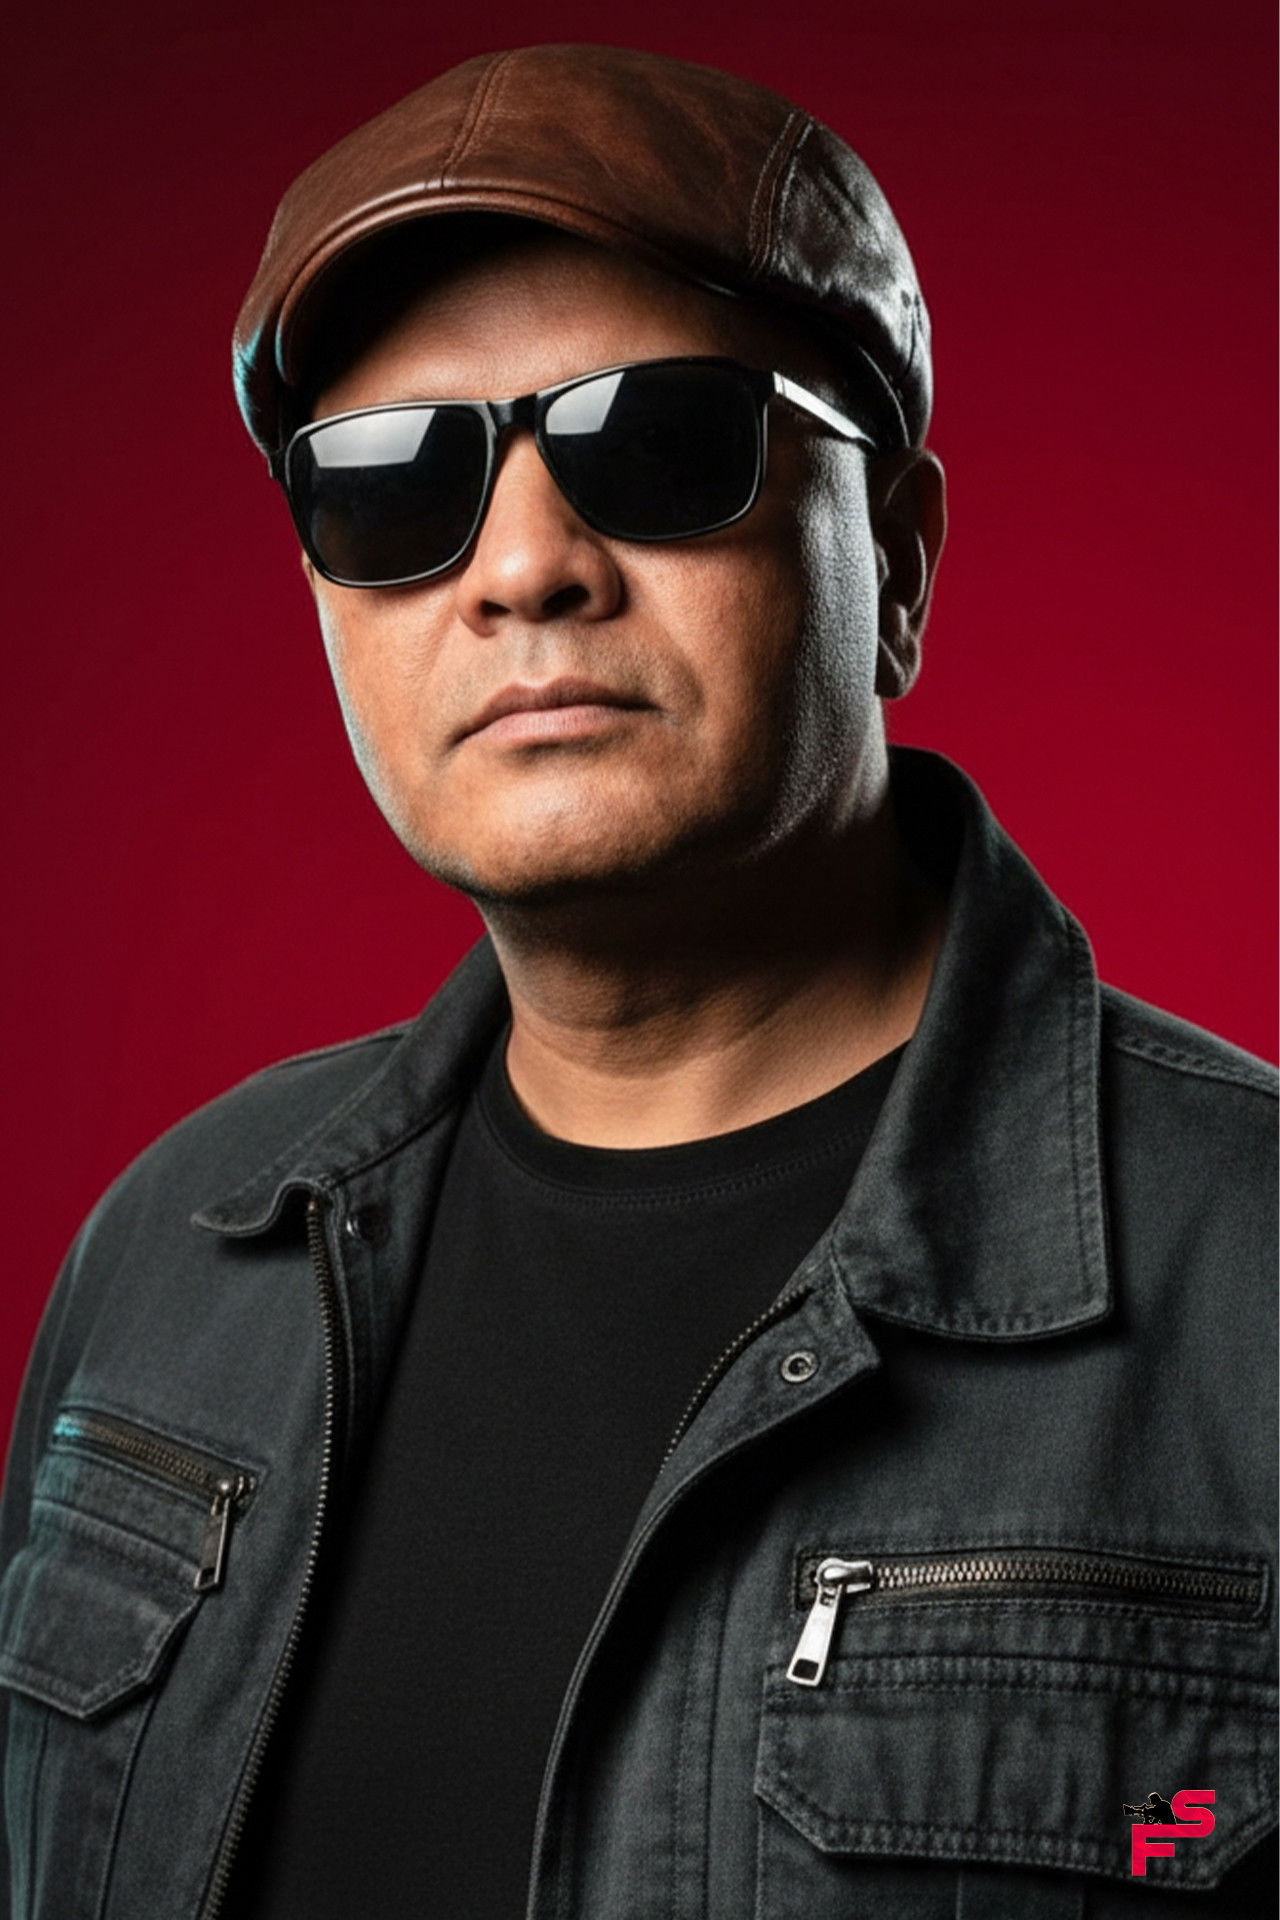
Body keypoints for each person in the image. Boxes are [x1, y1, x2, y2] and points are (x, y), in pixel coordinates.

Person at [0, 42, 1274, 1920]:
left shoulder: (1250, 1286)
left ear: (899, 563)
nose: (524, 566)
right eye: (392, 485)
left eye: (661, 443)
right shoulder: (166, 1268)